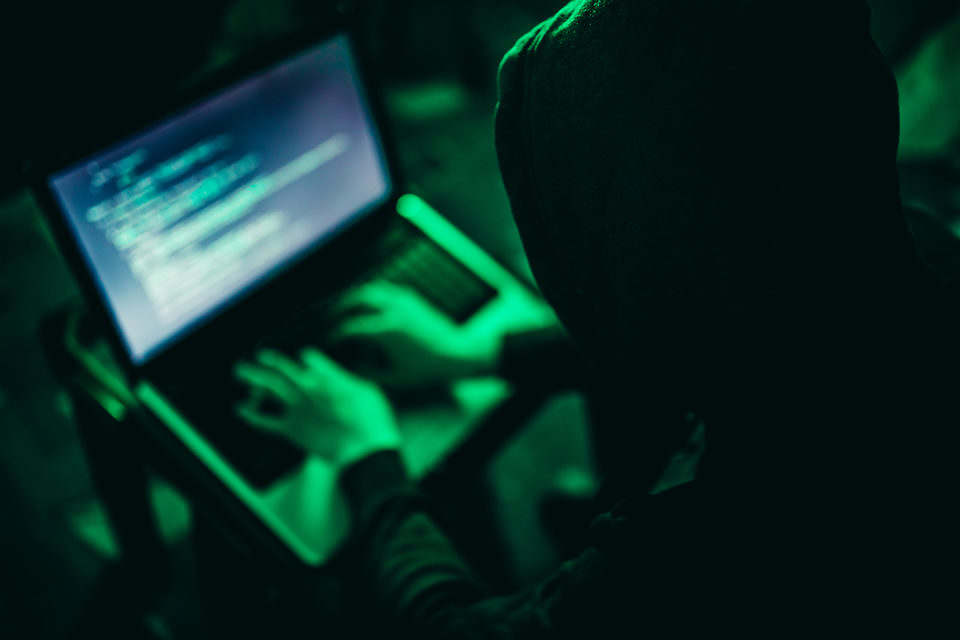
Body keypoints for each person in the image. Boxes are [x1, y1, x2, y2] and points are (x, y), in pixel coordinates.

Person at [234, 1, 959, 635]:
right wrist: (476, 355)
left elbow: (456, 630)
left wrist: (367, 456)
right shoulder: (910, 245)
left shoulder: (685, 569)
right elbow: (732, 302)